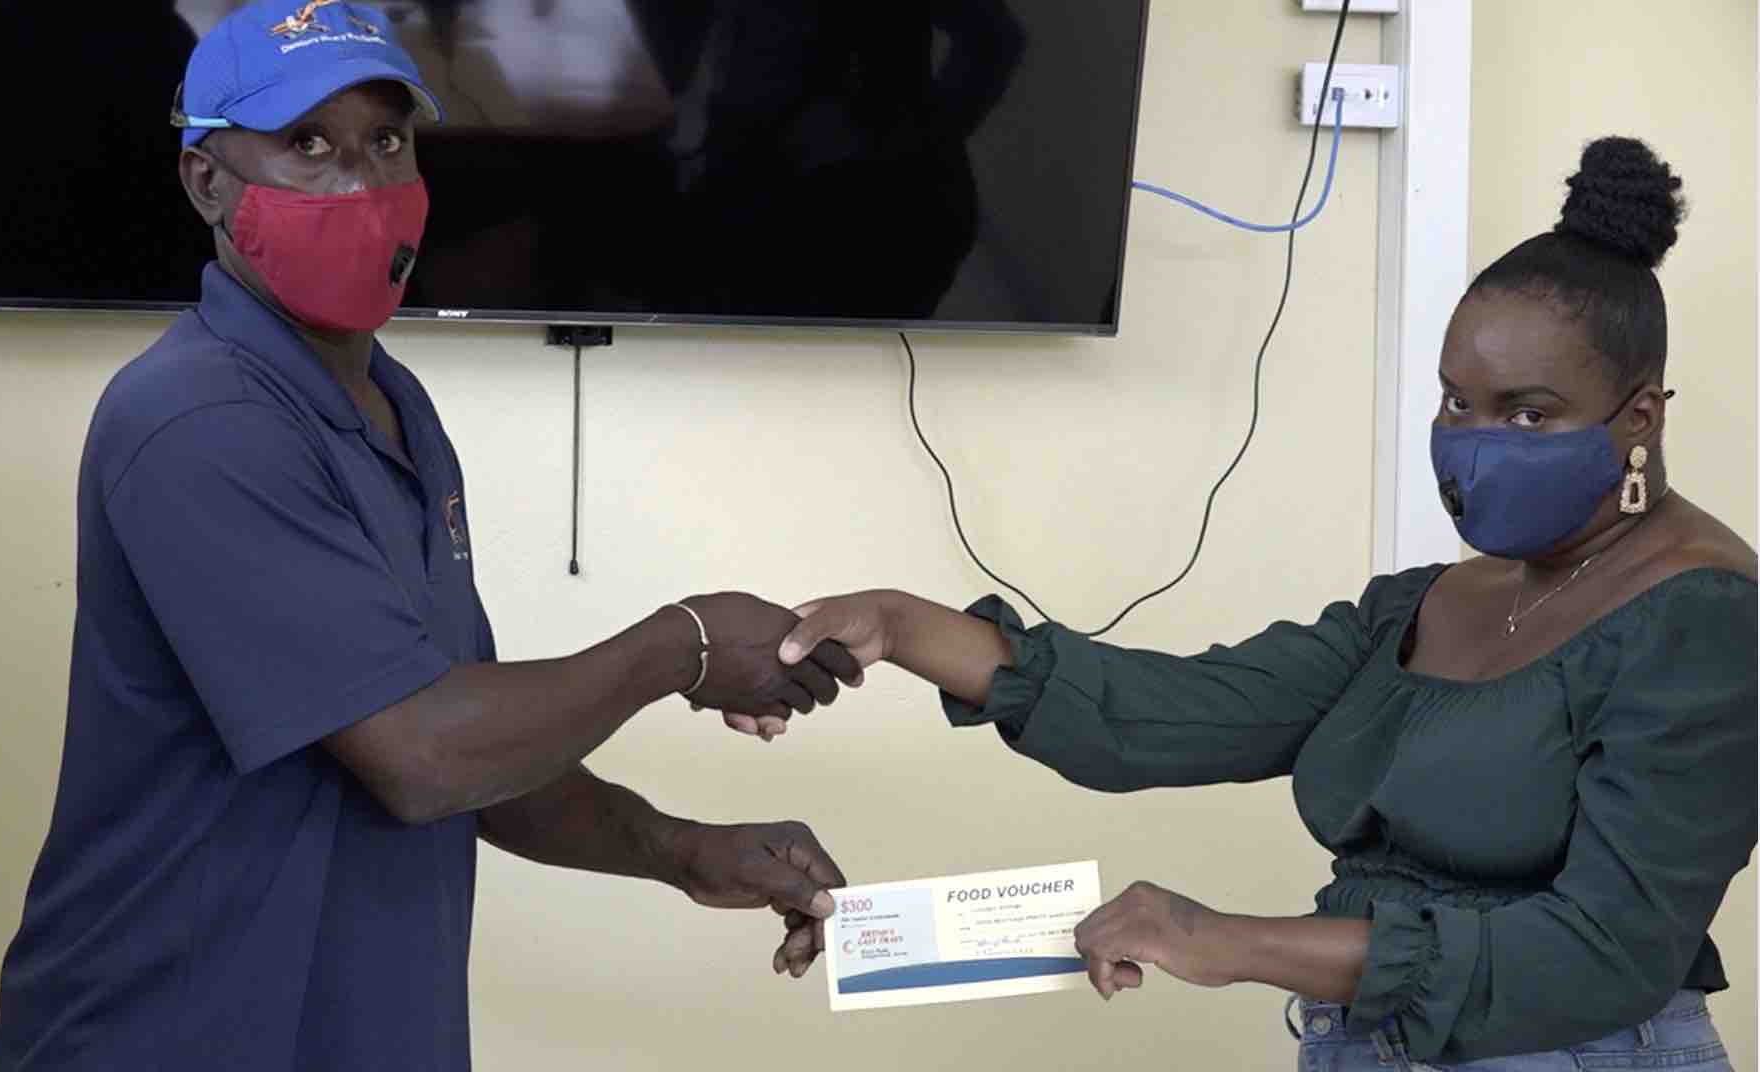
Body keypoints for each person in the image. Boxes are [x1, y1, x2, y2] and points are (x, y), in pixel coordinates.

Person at [751, 137, 1756, 1069]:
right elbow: (1170, 712)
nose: (1475, 441)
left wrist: (1228, 939)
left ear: (1638, 417)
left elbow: (1603, 950)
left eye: (1527, 413)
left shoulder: (1700, 617)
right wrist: (903, 624)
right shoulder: (1430, 603)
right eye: (1457, 402)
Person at [0, 4, 858, 1069]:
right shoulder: (197, 422)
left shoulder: (395, 409)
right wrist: (682, 644)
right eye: (307, 145)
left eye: (385, 143)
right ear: (206, 181)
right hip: (179, 1025)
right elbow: (421, 754)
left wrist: (678, 849)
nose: (359, 185)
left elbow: (472, 738)